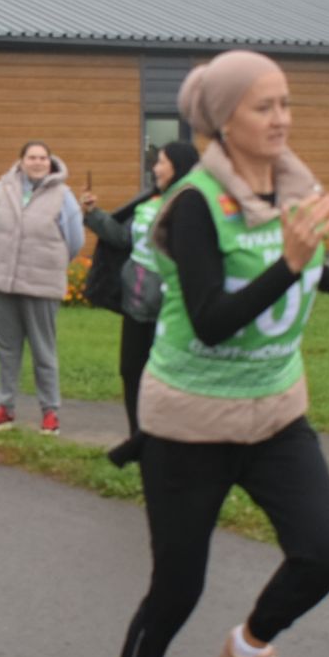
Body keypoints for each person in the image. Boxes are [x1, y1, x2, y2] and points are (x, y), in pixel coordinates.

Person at [97, 51, 329, 657]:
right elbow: (210, 316)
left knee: (324, 551)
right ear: (223, 121)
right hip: (189, 420)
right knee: (178, 586)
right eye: (264, 106)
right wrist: (291, 266)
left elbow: (273, 246)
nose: (282, 118)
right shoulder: (194, 202)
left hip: (275, 411)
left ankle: (251, 644)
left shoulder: (285, 184)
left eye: (285, 103)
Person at [82, 142, 201, 465]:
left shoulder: (192, 204)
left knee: (168, 376)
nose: (155, 167)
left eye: (161, 162)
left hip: (170, 306)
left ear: (178, 165)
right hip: (136, 301)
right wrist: (94, 215)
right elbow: (123, 239)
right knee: (131, 370)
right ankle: (139, 439)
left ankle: (174, 443)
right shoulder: (150, 199)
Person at [0, 141, 84, 435]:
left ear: (50, 162)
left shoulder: (63, 196)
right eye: (32, 157)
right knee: (6, 349)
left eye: (43, 158)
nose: (38, 162)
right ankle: (5, 407)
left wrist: (51, 262)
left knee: (44, 351)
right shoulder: (3, 188)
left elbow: (74, 240)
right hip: (3, 282)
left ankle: (50, 412)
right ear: (21, 160)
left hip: (41, 284)